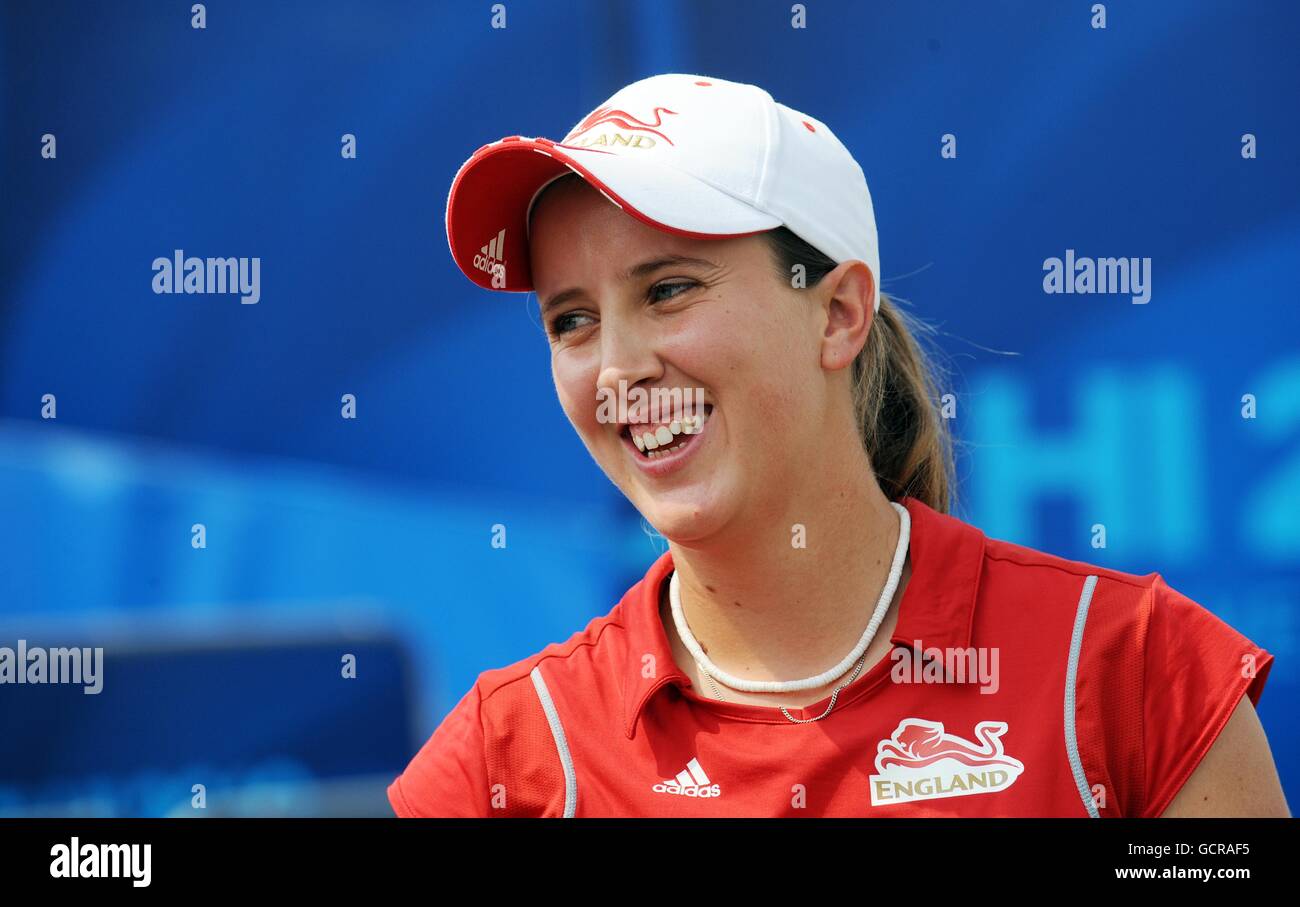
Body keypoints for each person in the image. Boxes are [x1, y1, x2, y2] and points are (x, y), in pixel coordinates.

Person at [389, 73, 1288, 818]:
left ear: (839, 312)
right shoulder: (504, 757)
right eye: (571, 320)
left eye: (667, 289)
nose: (616, 368)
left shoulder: (1135, 673)